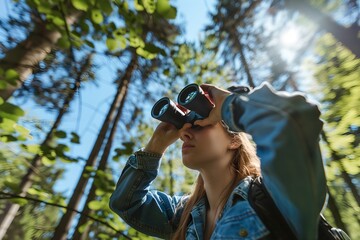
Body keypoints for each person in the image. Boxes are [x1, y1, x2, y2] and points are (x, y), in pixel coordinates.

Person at [109, 82, 328, 239]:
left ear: (234, 141)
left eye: (198, 125)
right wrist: (156, 145)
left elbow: (292, 119)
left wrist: (228, 105)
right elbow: (126, 202)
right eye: (183, 128)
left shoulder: (275, 194)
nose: (184, 134)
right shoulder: (184, 215)